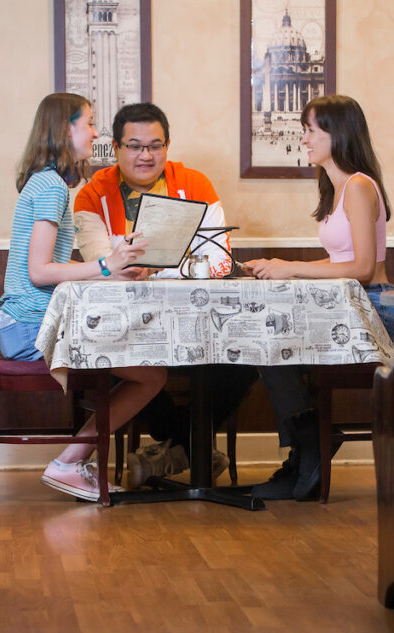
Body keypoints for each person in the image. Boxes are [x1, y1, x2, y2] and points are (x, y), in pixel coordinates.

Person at [73, 102, 257, 489]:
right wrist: (177, 261)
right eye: (135, 146)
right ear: (117, 148)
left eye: (155, 146)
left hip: (194, 320)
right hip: (127, 328)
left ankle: (175, 452)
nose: (146, 155)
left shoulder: (196, 184)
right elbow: (102, 264)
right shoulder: (92, 194)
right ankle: (192, 449)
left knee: (245, 356)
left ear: (168, 146)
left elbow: (219, 259)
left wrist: (155, 268)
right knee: (136, 364)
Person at [0, 92, 165, 502]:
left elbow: (53, 271)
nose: (94, 132)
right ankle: (70, 461)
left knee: (146, 367)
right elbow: (40, 272)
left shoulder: (44, 182)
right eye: (88, 123)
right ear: (64, 129)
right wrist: (108, 266)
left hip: (20, 325)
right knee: (153, 374)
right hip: (30, 329)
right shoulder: (52, 186)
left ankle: (77, 460)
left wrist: (114, 269)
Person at [244, 94, 394, 501]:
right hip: (349, 307)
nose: (305, 139)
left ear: (337, 133)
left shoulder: (360, 186)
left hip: (373, 310)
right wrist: (280, 266)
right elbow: (339, 262)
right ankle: (310, 445)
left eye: (311, 130)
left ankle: (310, 444)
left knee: (270, 341)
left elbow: (363, 269)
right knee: (265, 337)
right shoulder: (338, 188)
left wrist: (291, 267)